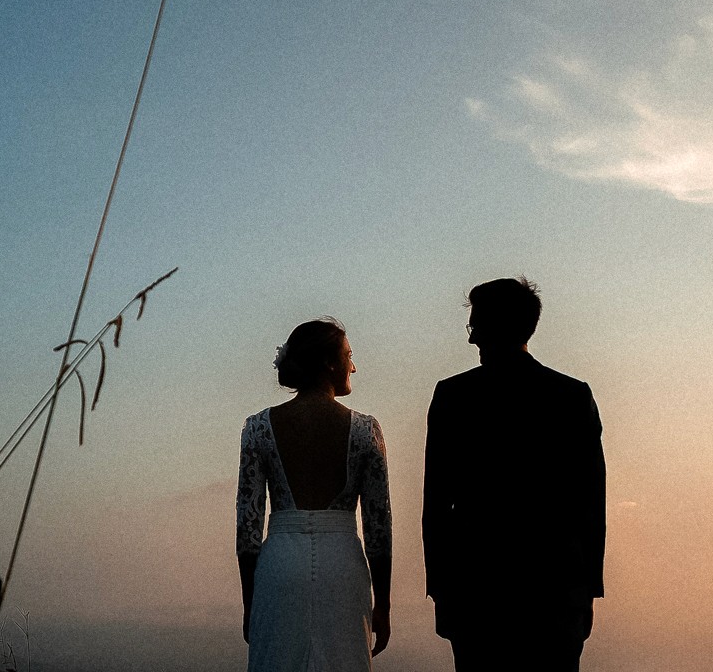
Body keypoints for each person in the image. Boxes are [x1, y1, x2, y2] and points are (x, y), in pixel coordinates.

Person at [422, 278, 605, 671]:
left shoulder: (453, 395)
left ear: (488, 328)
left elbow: (436, 501)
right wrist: (588, 589)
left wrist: (440, 588)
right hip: (556, 591)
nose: (471, 340)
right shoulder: (572, 395)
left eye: (473, 327)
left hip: (475, 593)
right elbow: (590, 501)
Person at [237, 318, 393, 670]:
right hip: (343, 565)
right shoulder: (367, 430)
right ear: (330, 363)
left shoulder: (258, 428)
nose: (354, 365)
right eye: (349, 355)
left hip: (278, 566)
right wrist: (382, 604)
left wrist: (252, 602)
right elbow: (378, 530)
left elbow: (248, 531)